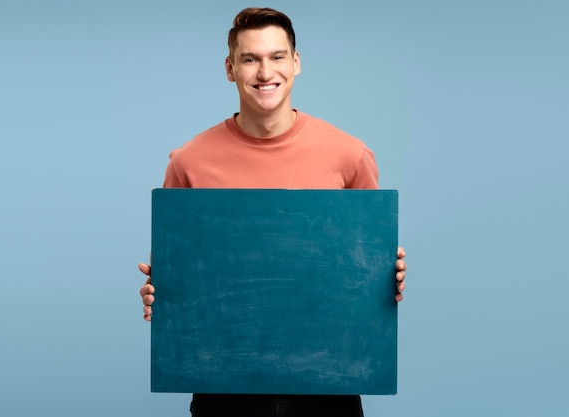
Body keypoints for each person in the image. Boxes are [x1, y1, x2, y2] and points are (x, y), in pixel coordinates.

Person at [138, 7, 407, 417]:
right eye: (250, 59)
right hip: (223, 390)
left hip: (329, 390)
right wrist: (161, 295)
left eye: (277, 56)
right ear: (230, 69)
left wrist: (388, 276)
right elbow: (178, 275)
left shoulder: (349, 155)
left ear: (296, 62)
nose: (266, 72)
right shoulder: (189, 162)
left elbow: (367, 269)